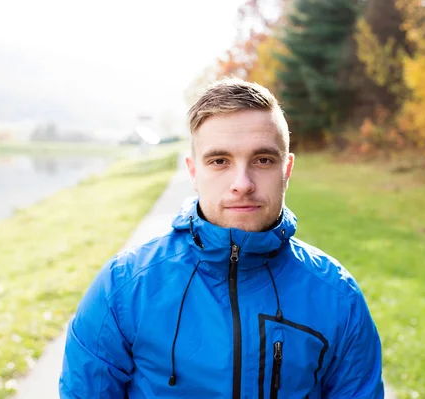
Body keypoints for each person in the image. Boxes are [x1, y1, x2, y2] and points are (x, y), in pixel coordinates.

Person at [59, 78, 384, 398]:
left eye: (263, 160)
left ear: (286, 170)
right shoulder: (124, 288)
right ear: (193, 171)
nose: (242, 183)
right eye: (220, 161)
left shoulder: (338, 297)